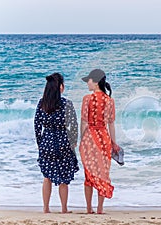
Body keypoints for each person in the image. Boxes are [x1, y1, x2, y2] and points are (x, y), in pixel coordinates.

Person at [34, 73, 79, 213]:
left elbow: (36, 125)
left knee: (47, 176)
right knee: (64, 178)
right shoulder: (66, 104)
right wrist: (73, 142)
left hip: (46, 142)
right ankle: (64, 209)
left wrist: (40, 143)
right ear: (61, 87)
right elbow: (74, 125)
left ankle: (46, 208)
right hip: (63, 142)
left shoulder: (42, 104)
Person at [79, 69, 119, 214]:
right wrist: (114, 143)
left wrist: (81, 140)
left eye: (88, 81)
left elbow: (84, 122)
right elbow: (111, 124)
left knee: (89, 174)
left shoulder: (87, 99)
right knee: (103, 172)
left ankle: (89, 208)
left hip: (90, 138)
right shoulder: (110, 101)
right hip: (104, 138)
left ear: (95, 82)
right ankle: (100, 208)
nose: (87, 84)